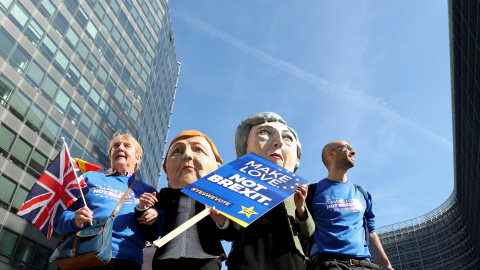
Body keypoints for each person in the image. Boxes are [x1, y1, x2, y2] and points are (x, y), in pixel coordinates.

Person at [54, 133, 161, 270]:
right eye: (115, 146)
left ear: (138, 158)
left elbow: (155, 233)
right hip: (83, 254)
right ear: (111, 155)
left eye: (127, 145)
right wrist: (74, 219)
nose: (120, 148)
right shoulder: (87, 178)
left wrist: (148, 213)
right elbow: (58, 219)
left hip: (125, 260)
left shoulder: (148, 191)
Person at [226, 112, 315, 270]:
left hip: (289, 258)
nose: (279, 142)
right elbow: (226, 232)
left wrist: (301, 208)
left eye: (287, 137)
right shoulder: (233, 184)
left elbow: (308, 232)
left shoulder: (294, 190)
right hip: (247, 256)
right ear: (244, 146)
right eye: (265, 132)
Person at [136, 130, 236, 270]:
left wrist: (221, 221)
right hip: (167, 259)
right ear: (166, 170)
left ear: (217, 167)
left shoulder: (219, 195)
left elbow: (230, 234)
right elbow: (151, 233)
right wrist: (145, 212)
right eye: (177, 151)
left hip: (206, 259)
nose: (187, 155)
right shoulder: (164, 195)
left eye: (198, 149)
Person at [308, 140, 393, 270]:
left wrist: (386, 265)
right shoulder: (312, 191)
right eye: (346, 148)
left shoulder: (362, 193)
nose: (353, 151)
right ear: (331, 154)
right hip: (329, 264)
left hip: (365, 265)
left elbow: (370, 232)